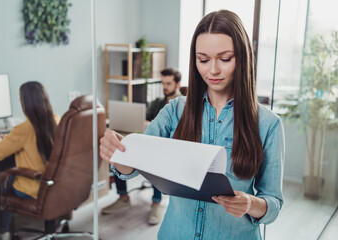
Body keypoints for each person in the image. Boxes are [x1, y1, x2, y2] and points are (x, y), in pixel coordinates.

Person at [100, 9, 284, 239]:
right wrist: (120, 153)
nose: (213, 70)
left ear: (242, 57)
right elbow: (131, 169)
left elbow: (273, 203)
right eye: (203, 60)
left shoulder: (268, 124)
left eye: (225, 59)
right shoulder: (174, 110)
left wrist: (250, 203)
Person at [101, 68, 182, 225]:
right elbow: (144, 119)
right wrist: (147, 125)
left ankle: (156, 202)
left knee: (158, 162)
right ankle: (123, 197)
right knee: (121, 151)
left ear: (177, 84)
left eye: (168, 83)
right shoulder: (158, 102)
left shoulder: (181, 106)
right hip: (150, 141)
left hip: (168, 149)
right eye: (162, 83)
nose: (165, 87)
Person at [0, 81, 60, 240]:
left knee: (6, 178)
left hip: (34, 188)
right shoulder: (56, 119)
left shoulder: (23, 130)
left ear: (24, 103)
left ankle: (3, 231)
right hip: (57, 186)